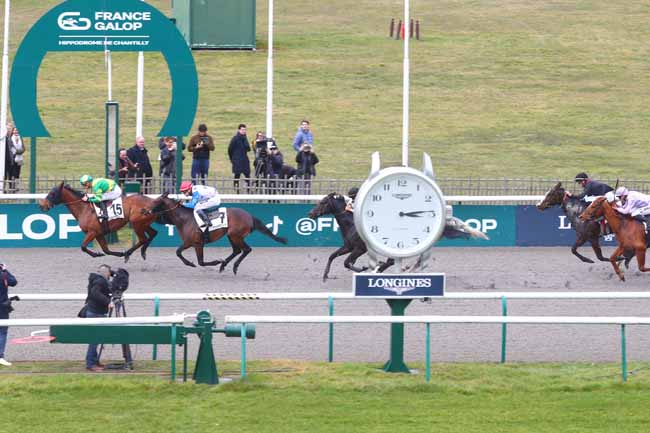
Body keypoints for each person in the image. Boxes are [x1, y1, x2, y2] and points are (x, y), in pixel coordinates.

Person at [83, 264, 114, 372]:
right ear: (106, 273)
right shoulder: (100, 281)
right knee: (95, 340)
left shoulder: (96, 279)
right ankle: (90, 364)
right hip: (96, 313)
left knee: (96, 339)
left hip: (94, 312)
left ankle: (94, 361)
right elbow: (95, 293)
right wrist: (108, 302)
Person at [0, 261, 17, 367]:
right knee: (2, 331)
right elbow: (14, 282)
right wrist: (5, 270)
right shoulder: (4, 275)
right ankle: (0, 356)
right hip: (2, 308)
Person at [228, 124, 251, 193]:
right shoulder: (235, 138)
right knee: (237, 175)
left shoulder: (245, 138)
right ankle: (236, 190)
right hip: (237, 160)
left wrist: (245, 140)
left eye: (245, 130)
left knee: (247, 175)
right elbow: (230, 149)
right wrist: (232, 159)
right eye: (242, 130)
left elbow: (248, 148)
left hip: (244, 159)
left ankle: (248, 189)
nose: (244, 131)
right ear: (239, 130)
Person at [7, 127, 25, 193]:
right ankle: (12, 187)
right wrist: (18, 151)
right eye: (15, 130)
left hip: (20, 158)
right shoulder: (10, 138)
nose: (16, 131)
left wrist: (20, 151)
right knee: (13, 173)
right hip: (13, 158)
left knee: (18, 173)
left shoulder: (20, 138)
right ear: (13, 131)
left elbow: (23, 148)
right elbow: (11, 148)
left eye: (17, 130)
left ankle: (16, 187)